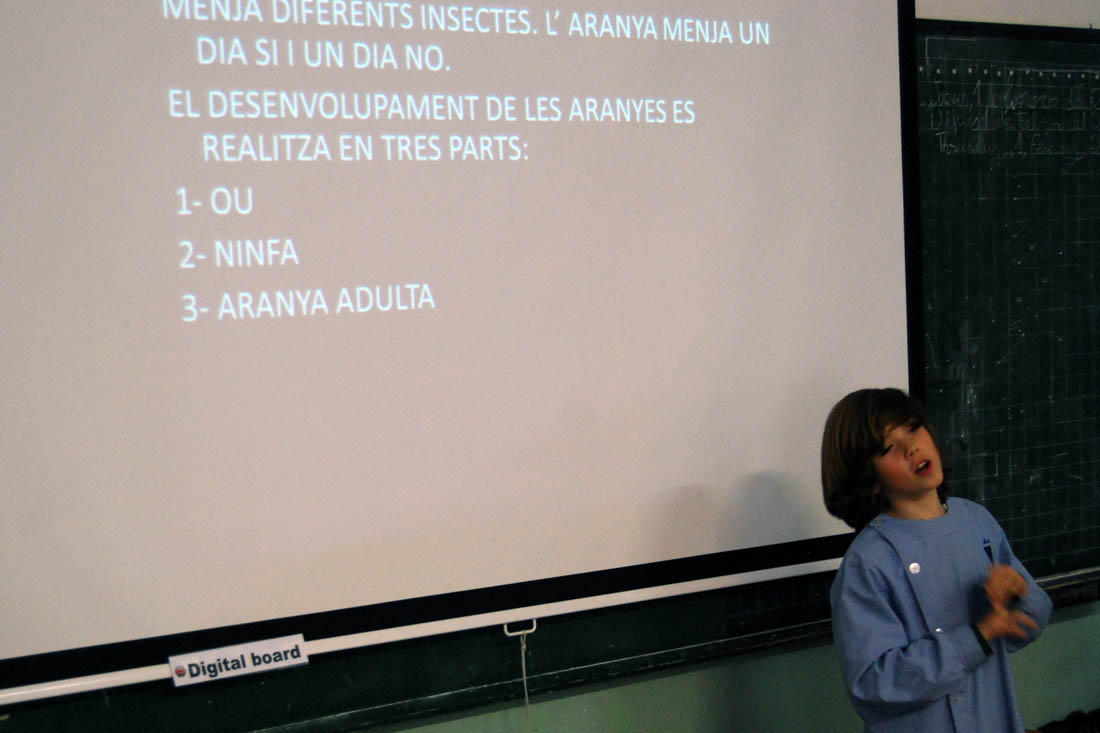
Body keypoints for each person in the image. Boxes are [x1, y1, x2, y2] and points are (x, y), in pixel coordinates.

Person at [821, 387, 1051, 732]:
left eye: (913, 428)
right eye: (888, 447)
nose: (911, 447)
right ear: (869, 479)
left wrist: (1019, 592)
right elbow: (874, 685)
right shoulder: (868, 562)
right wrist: (977, 637)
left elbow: (1030, 622)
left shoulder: (976, 521)